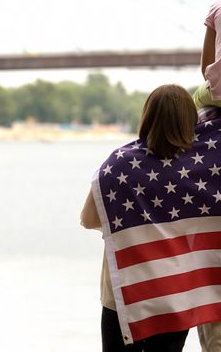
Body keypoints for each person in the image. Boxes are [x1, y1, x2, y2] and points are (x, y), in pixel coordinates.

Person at [80, 84, 196, 351]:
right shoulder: (198, 166)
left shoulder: (118, 164)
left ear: (147, 117)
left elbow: (88, 219)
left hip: (124, 292)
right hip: (175, 294)